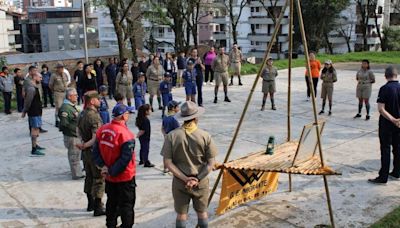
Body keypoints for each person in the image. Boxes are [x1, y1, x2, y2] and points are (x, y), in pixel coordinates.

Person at [162, 101, 217, 228]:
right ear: (196, 117)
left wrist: (185, 179)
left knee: (181, 214)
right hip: (201, 182)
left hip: (180, 182)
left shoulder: (172, 136)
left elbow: (167, 163)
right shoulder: (205, 136)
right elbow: (210, 163)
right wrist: (196, 179)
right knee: (202, 213)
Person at [93, 103, 137, 228]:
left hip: (109, 177)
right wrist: (112, 171)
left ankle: (111, 225)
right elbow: (125, 159)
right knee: (127, 205)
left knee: (111, 203)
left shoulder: (102, 129)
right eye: (128, 113)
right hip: (125, 178)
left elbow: (95, 151)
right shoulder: (125, 134)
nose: (128, 115)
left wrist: (104, 167)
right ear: (123, 116)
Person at [368, 66, 400, 184]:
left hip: (387, 124)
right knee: (397, 148)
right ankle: (397, 171)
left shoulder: (385, 89)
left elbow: (381, 109)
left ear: (385, 76)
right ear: (396, 75)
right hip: (399, 124)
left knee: (385, 149)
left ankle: (383, 176)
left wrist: (392, 119)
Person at [76, 91, 106, 216]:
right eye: (97, 99)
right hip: (94, 151)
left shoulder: (82, 114)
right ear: (92, 101)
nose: (99, 101)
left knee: (89, 176)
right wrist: (86, 144)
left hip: (85, 153)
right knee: (98, 178)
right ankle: (98, 206)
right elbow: (96, 136)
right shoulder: (94, 116)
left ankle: (90, 203)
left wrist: (82, 144)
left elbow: (77, 130)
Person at [58, 88, 84, 179]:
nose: (77, 96)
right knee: (74, 155)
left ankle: (77, 171)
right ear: (69, 96)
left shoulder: (71, 106)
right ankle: (76, 174)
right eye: (75, 95)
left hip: (76, 135)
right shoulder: (66, 108)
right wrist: (75, 129)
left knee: (77, 154)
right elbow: (64, 123)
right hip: (72, 136)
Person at [21, 72, 46, 156]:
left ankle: (36, 145)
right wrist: (24, 111)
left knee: (37, 129)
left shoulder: (35, 86)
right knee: (34, 129)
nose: (41, 79)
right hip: (34, 112)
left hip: (37, 111)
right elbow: (28, 101)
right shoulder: (31, 88)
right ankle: (33, 149)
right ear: (35, 77)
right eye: (40, 77)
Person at [161, 100, 181, 173]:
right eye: (177, 107)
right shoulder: (174, 118)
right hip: (174, 139)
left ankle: (165, 168)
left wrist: (165, 135)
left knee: (166, 154)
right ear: (173, 108)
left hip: (166, 137)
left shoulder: (165, 116)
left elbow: (162, 128)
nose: (179, 108)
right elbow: (178, 130)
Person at [49, 63, 69, 127]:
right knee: (59, 107)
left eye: (62, 68)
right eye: (60, 68)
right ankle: (57, 120)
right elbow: (50, 85)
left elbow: (67, 81)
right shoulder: (54, 75)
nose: (61, 69)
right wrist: (54, 90)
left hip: (65, 92)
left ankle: (64, 119)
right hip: (58, 93)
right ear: (57, 68)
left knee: (65, 107)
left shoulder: (65, 74)